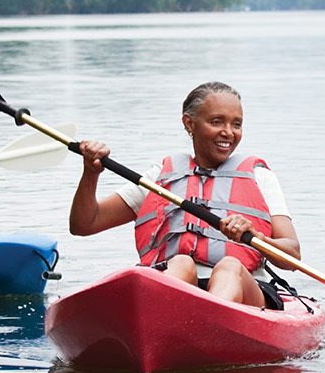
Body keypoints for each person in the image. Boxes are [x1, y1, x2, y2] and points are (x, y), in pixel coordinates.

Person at [69, 81, 302, 309]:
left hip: (245, 292)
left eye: (236, 124)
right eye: (216, 121)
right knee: (181, 262)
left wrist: (257, 238)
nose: (228, 132)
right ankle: (167, 318)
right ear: (189, 123)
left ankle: (210, 319)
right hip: (175, 286)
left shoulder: (258, 177)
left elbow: (291, 255)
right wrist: (91, 173)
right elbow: (84, 224)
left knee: (229, 267)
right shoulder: (161, 177)